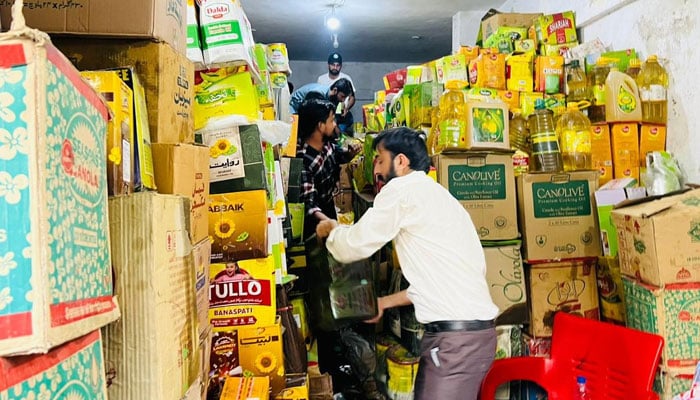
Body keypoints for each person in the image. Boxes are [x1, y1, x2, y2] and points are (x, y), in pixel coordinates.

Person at [316, 127, 499, 400]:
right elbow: (435, 282)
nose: (375, 168)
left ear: (400, 161)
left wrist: (331, 231)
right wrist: (384, 303)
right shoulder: (439, 197)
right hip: (475, 338)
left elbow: (352, 246)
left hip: (454, 344)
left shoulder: (401, 190)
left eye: (379, 158)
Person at [318, 52, 356, 133]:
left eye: (338, 65)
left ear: (341, 66)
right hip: (327, 114)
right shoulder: (321, 79)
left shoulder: (346, 78)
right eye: (333, 65)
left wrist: (347, 108)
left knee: (341, 138)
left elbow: (352, 97)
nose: (335, 67)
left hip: (342, 115)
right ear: (328, 65)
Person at [289, 78, 353, 115]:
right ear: (335, 90)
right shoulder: (317, 94)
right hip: (293, 109)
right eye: (342, 96)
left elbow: (337, 114)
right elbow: (310, 115)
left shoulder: (334, 96)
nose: (343, 100)